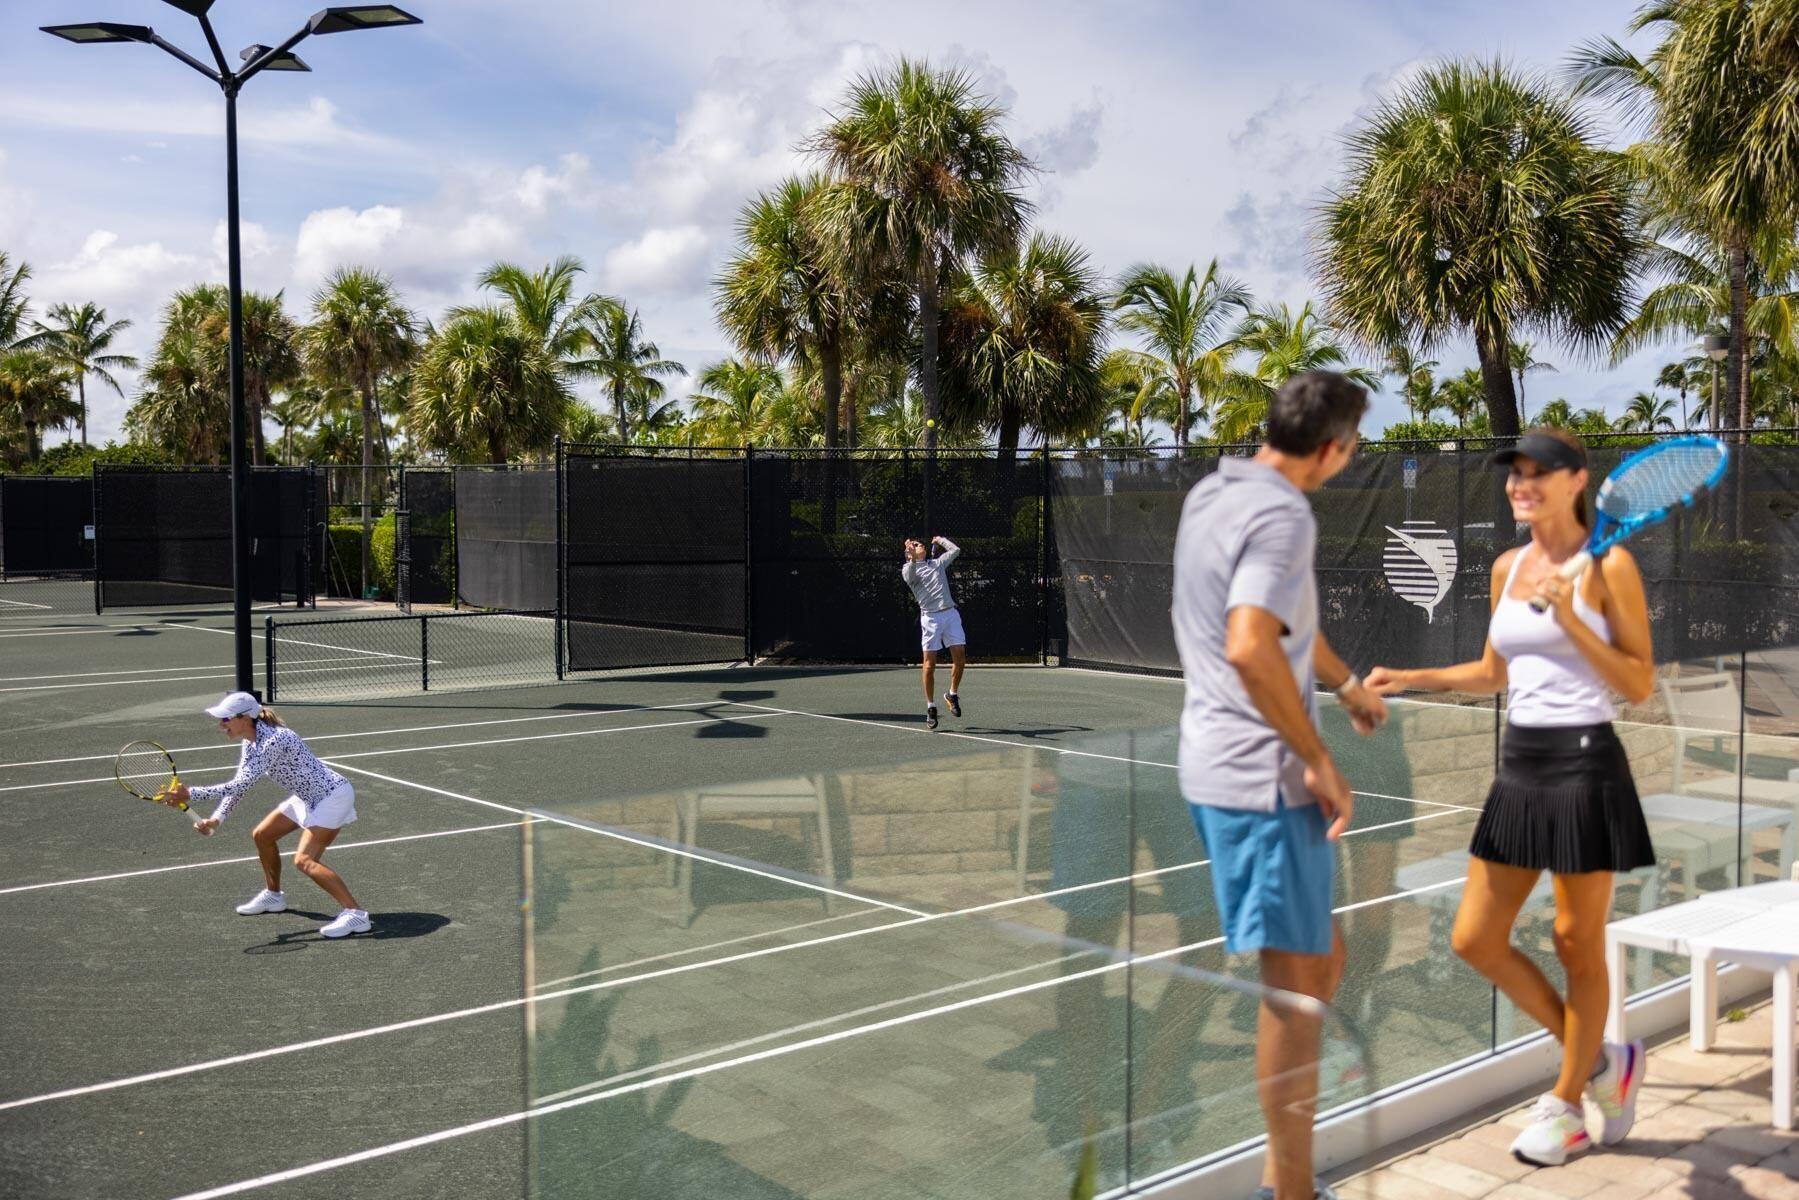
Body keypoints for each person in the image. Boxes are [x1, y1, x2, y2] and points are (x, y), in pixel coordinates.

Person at [1365, 428, 1656, 1167]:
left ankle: (1565, 1107)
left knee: (1572, 942)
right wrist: (1409, 676)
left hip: (1586, 764)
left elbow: (1638, 684)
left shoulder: (1610, 566)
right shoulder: (1506, 566)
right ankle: (1598, 1061)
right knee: (1473, 938)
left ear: (1576, 480)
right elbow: (1495, 673)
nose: (1520, 485)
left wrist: (1566, 621)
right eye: (1514, 474)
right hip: (1519, 765)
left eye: (1538, 474)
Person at [1172, 370, 1386, 1200]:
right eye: (1355, 443)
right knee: (1295, 990)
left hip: (1230, 770)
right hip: (1259, 780)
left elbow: (1285, 622)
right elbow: (1250, 645)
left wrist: (1343, 685)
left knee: (1316, 966)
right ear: (1332, 448)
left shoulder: (1213, 495)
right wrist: (1317, 759)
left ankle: (1281, 1178)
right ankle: (1288, 1191)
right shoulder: (1283, 512)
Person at [166, 690, 372, 939]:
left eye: (226, 719)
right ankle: (274, 897)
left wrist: (192, 794)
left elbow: (242, 785)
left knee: (305, 861)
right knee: (262, 835)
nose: (222, 724)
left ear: (245, 718)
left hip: (332, 796)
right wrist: (216, 819)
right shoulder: (250, 743)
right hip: (307, 796)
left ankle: (356, 914)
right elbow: (239, 784)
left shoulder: (274, 740)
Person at [901, 535, 966, 730]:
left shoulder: (937, 563)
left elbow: (955, 551)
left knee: (960, 658)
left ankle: (952, 694)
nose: (919, 546)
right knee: (929, 665)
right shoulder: (907, 569)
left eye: (920, 544)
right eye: (915, 546)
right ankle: (931, 707)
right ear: (909, 554)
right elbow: (911, 575)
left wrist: (941, 540)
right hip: (930, 619)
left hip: (950, 615)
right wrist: (912, 558)